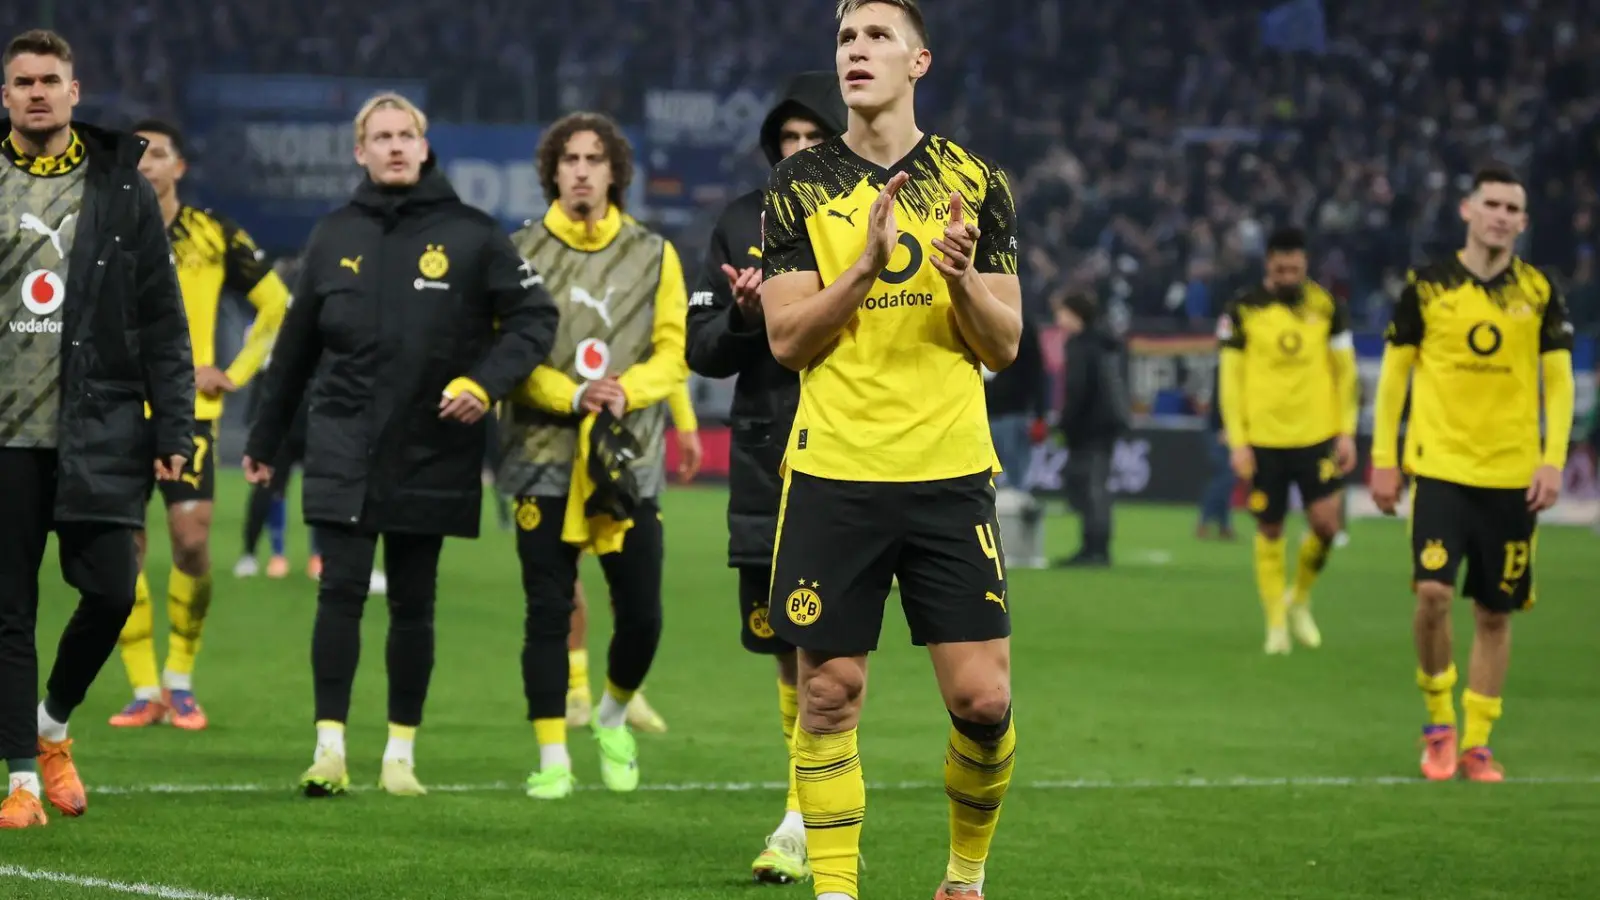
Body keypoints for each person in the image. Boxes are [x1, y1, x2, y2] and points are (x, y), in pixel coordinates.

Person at [759, 2, 1022, 897]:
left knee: (983, 705)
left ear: (919, 61)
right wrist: (864, 270)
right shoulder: (798, 186)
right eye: (844, 39)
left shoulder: (975, 181)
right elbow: (788, 341)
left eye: (876, 36)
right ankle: (837, 891)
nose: (856, 52)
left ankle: (963, 877)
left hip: (949, 472)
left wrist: (958, 280)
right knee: (829, 695)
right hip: (835, 472)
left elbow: (1005, 342)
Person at [242, 92, 557, 798]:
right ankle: (329, 749)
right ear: (359, 152)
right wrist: (265, 439)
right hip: (343, 440)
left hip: (432, 443)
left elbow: (536, 319)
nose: (392, 146)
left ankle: (399, 756)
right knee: (341, 592)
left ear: (424, 145)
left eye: (404, 135)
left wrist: (485, 382)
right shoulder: (331, 236)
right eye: (379, 137)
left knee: (415, 603)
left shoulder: (474, 235)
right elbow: (291, 352)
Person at [0, 29, 194, 829]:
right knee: (9, 612)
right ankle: (17, 783)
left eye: (50, 80)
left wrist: (174, 426)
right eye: (22, 82)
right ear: (5, 96)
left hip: (100, 428)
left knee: (111, 593)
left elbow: (161, 318)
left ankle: (51, 728)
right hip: (6, 438)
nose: (37, 92)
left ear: (74, 92)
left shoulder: (121, 189)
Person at [685, 69, 847, 884]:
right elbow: (702, 351)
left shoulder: (877, 214)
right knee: (785, 647)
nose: (798, 152)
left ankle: (798, 820)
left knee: (827, 648)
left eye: (813, 138)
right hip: (764, 456)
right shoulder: (739, 222)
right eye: (786, 140)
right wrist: (746, 318)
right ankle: (804, 804)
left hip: (851, 450)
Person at [498, 111, 689, 800]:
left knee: (643, 614)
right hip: (539, 453)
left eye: (594, 159)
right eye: (569, 159)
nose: (581, 170)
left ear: (615, 172)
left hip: (626, 457)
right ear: (552, 170)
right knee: (547, 609)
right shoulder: (518, 252)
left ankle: (611, 714)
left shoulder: (655, 254)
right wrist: (572, 395)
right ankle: (552, 757)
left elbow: (674, 352)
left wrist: (623, 390)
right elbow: (510, 357)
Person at [1369, 166, 1574, 782]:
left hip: (1512, 475)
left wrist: (1552, 459)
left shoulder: (1539, 291)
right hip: (1440, 468)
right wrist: (1384, 457)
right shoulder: (1426, 289)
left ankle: (1478, 742)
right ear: (1467, 209)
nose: (1501, 216)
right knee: (1432, 595)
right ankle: (1438, 723)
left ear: (1523, 222)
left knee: (1493, 612)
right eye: (1492, 204)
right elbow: (1393, 379)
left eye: (1513, 208)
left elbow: (1558, 385)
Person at [108, 119, 291, 731]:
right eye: (136, 154)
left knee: (190, 541)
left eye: (157, 153)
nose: (147, 164)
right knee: (121, 550)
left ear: (179, 167)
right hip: (116, 411)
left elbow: (276, 304)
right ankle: (142, 688)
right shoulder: (100, 231)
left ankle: (180, 680)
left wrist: (234, 371)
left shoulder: (213, 234)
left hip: (190, 417)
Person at [1217, 226, 1358, 654]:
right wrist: (1239, 441)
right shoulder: (1243, 308)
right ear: (1269, 265)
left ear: (1305, 264)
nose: (1287, 274)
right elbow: (1230, 379)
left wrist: (1346, 431)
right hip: (1263, 439)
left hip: (1316, 436)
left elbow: (1346, 373)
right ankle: (1276, 621)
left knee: (1327, 525)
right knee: (1270, 526)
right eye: (1280, 267)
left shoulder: (1327, 306)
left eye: (1295, 267)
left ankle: (1299, 596)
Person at [564, 384, 701, 734]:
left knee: (628, 577)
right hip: (567, 435)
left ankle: (629, 686)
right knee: (563, 569)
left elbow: (671, 358)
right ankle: (575, 687)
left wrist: (686, 424)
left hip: (626, 445)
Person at [1055, 291, 1129, 567]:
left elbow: (1077, 390)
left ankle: (1094, 549)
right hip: (1105, 424)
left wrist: (1065, 424)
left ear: (1075, 315)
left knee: (1090, 487)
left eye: (1062, 312)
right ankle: (1096, 547)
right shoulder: (1103, 343)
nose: (1058, 319)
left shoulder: (1079, 346)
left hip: (1089, 427)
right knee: (1094, 486)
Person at [984, 311, 1048, 491]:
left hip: (1011, 412)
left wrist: (1040, 414)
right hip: (979, 412)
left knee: (1016, 479)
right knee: (982, 482)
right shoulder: (969, 313)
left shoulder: (1020, 323)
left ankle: (1018, 516)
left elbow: (1036, 371)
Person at [1196, 362, 1237, 540]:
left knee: (1226, 477)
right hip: (1219, 430)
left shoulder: (1221, 365)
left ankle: (1224, 525)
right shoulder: (1225, 367)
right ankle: (1204, 521)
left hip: (1224, 429)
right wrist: (1223, 427)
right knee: (1224, 477)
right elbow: (1221, 399)